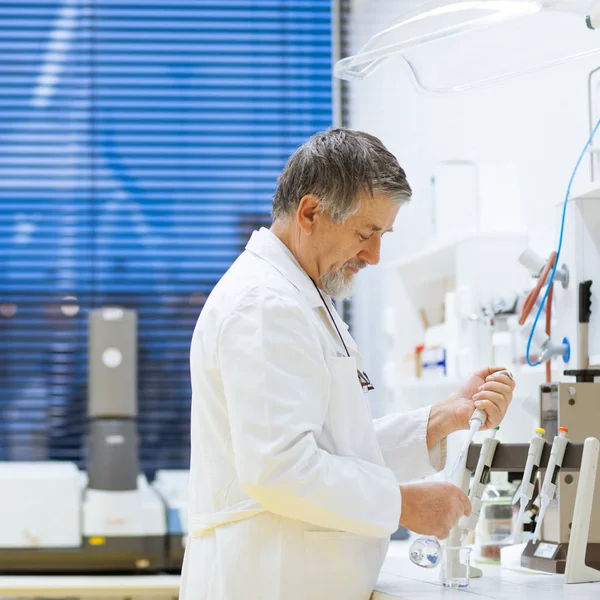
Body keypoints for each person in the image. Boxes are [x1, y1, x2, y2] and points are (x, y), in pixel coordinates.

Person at [179, 129, 515, 600]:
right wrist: (403, 504)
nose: (374, 255)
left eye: (383, 234)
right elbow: (280, 468)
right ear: (311, 212)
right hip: (266, 582)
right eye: (365, 232)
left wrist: (439, 420)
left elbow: (331, 448)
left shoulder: (302, 295)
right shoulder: (263, 305)